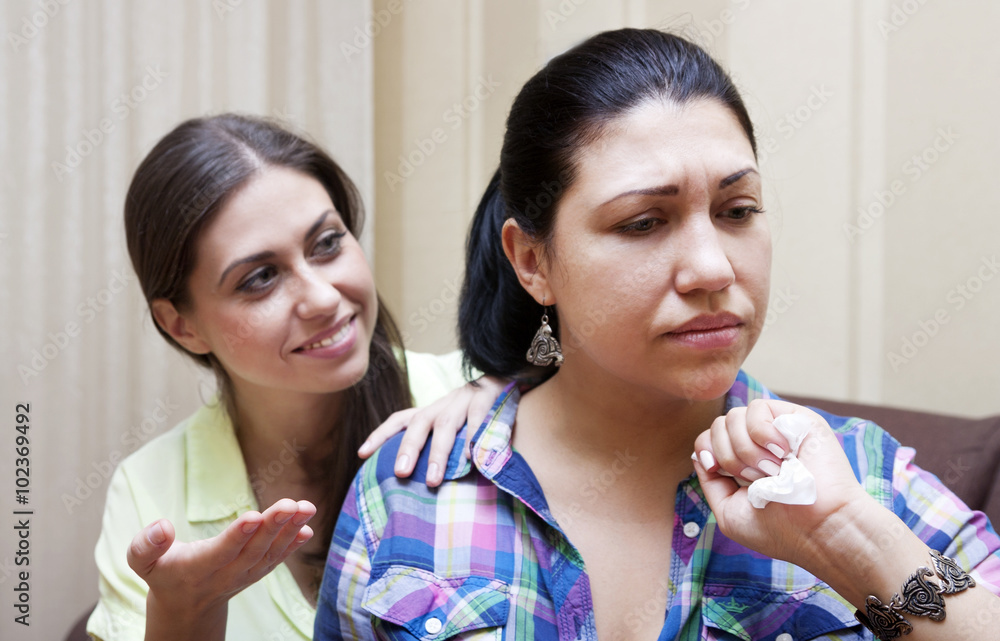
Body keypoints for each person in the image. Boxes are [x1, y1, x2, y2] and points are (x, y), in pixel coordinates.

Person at [315, 29, 1000, 640]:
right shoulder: (410, 493)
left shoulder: (865, 479)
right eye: (643, 222)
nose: (712, 266)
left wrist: (846, 536)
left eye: (737, 210)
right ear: (532, 261)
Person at [86, 114, 505, 641]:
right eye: (260, 278)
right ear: (182, 325)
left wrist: (513, 390)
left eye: (327, 243)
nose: (325, 297)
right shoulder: (148, 491)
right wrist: (183, 614)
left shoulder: (480, 401)